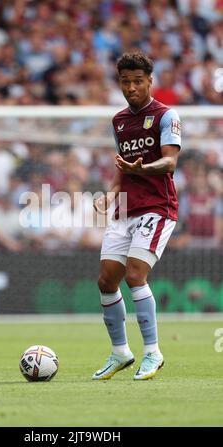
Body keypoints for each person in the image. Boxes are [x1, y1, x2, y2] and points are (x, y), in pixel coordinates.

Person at [93, 52, 181, 381]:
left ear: (150, 81)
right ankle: (120, 352)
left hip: (158, 206)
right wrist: (109, 195)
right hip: (125, 209)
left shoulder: (166, 116)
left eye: (137, 81)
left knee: (134, 274)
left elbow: (170, 162)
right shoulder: (118, 121)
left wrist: (143, 167)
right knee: (105, 280)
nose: (131, 87)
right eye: (125, 81)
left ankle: (153, 353)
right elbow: (122, 172)